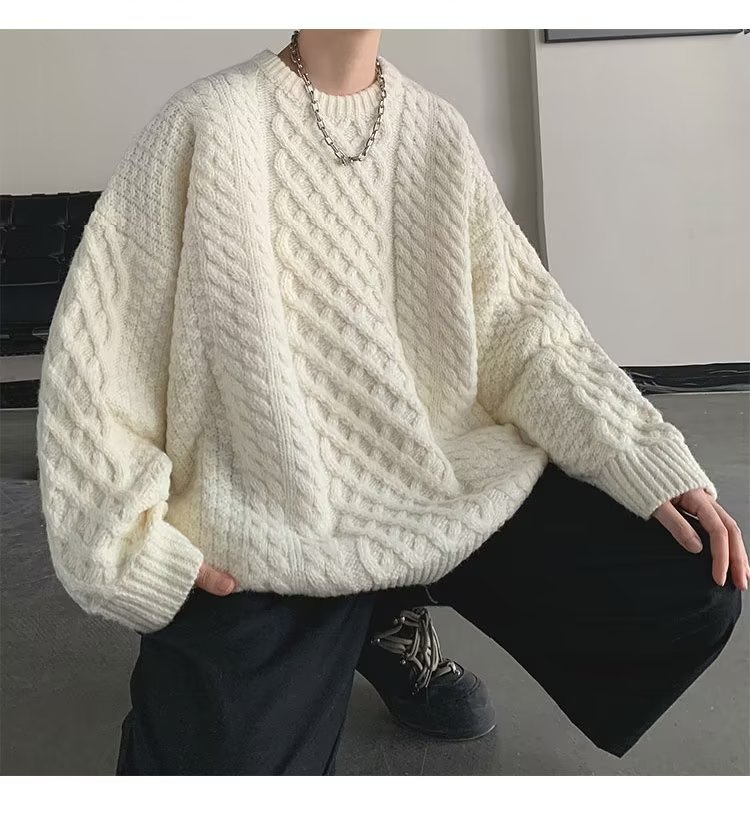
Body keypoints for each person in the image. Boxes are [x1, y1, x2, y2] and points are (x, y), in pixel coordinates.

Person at [36, 29, 747, 776]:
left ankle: (384, 606)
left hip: (440, 482)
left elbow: (522, 329)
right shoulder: (205, 122)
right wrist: (129, 551)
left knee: (692, 584)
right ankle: (365, 614)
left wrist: (634, 449)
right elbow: (99, 361)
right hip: (268, 516)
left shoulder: (436, 129)